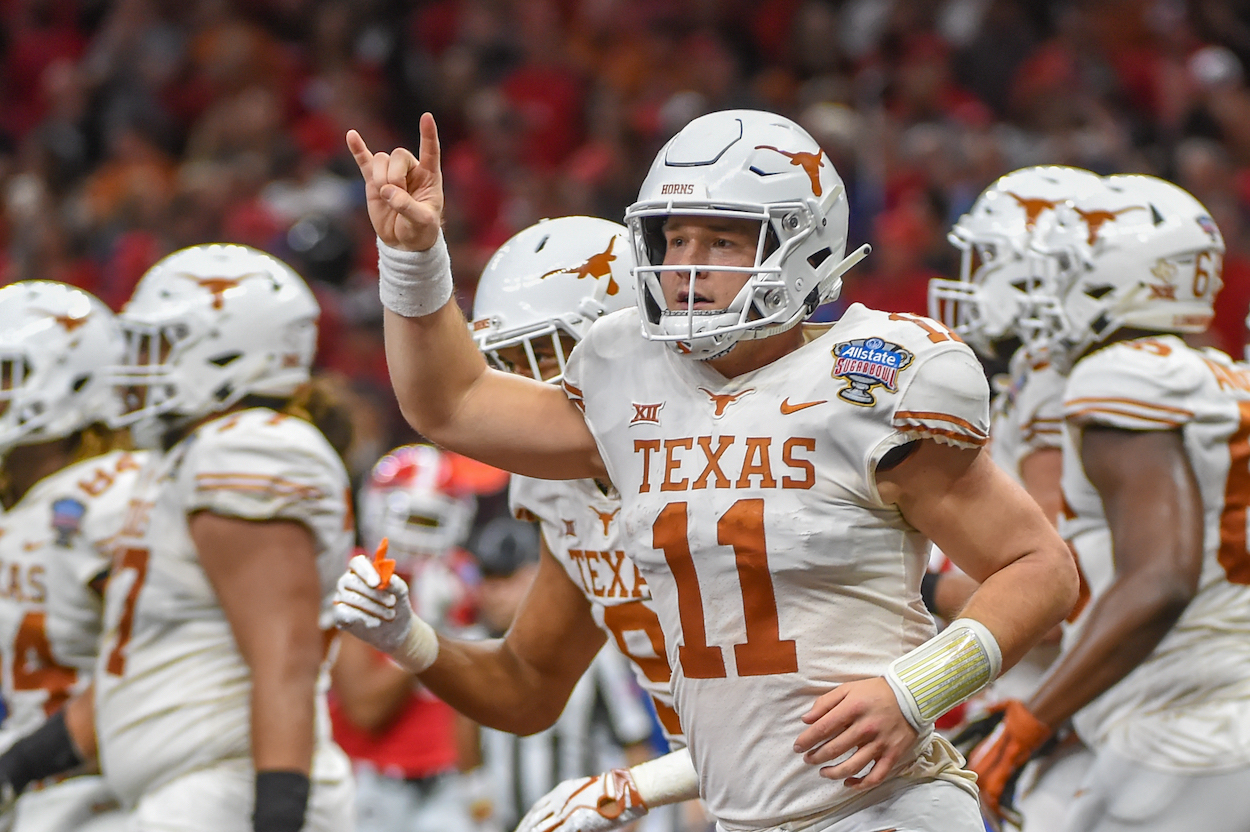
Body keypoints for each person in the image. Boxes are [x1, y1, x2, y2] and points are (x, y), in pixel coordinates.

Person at [338, 109, 1077, 832]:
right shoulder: (626, 371)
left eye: (723, 240)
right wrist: (413, 258)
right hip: (739, 813)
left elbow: (1041, 568)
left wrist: (916, 689)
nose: (687, 265)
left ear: (804, 244)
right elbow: (452, 404)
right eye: (675, 238)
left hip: (883, 808)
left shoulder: (870, 376)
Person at [336, 214, 702, 832]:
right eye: (506, 363)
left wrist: (641, 784)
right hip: (732, 794)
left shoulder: (731, 457)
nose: (520, 390)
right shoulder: (560, 489)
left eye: (543, 358)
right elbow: (527, 685)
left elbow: (792, 705)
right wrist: (408, 640)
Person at [964, 174, 1250, 832]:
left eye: (1064, 267)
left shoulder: (1119, 375)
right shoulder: (1221, 376)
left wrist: (1037, 716)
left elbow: (1161, 578)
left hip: (1179, 737)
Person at [92, 244, 356, 830]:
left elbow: (285, 661)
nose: (139, 365)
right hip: (197, 788)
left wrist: (278, 816)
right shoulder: (193, 452)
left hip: (230, 790)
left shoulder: (246, 447)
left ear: (227, 353)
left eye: (159, 346)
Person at [928, 167, 1106, 830]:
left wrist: (920, 591)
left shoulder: (1060, 377)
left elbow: (1058, 601)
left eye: (992, 261)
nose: (974, 282)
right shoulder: (1062, 371)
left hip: (1068, 726)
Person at [0, 281, 138, 832]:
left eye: (5, 374)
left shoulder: (112, 497)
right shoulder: (22, 502)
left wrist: (24, 764)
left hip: (97, 796)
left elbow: (168, 656)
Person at [331, 444, 506, 832]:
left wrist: (474, 780)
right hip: (374, 779)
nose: (421, 537)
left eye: (433, 521)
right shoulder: (361, 578)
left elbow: (467, 695)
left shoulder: (462, 577)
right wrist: (423, 628)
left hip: (448, 781)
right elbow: (364, 709)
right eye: (414, 518)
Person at [466, 514, 658, 832]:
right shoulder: (478, 644)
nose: (492, 592)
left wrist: (629, 820)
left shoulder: (591, 650)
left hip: (580, 823)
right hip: (506, 823)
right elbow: (465, 724)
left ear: (534, 577)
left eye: (505, 579)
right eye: (486, 580)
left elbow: (633, 738)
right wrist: (475, 795)